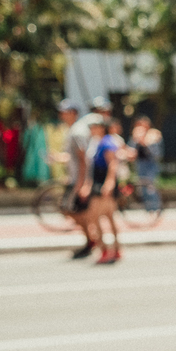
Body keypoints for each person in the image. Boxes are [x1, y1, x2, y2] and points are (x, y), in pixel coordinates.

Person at [52, 99, 98, 258]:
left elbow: (83, 159)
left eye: (64, 112)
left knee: (71, 209)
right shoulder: (73, 130)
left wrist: (82, 183)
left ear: (73, 113)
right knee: (73, 210)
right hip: (75, 178)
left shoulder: (78, 131)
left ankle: (92, 238)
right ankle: (91, 238)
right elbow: (74, 157)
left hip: (79, 180)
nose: (61, 115)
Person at [79, 117, 122, 265]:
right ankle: (115, 249)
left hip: (103, 185)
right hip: (100, 183)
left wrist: (109, 183)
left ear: (102, 127)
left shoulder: (107, 142)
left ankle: (105, 250)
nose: (91, 129)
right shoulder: (98, 142)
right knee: (108, 216)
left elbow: (113, 164)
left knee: (94, 217)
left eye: (94, 126)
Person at [128, 116, 163, 212]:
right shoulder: (135, 136)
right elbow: (131, 151)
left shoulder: (154, 135)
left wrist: (144, 141)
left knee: (151, 187)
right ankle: (149, 209)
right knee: (142, 189)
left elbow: (156, 154)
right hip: (140, 165)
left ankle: (155, 209)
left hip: (151, 165)